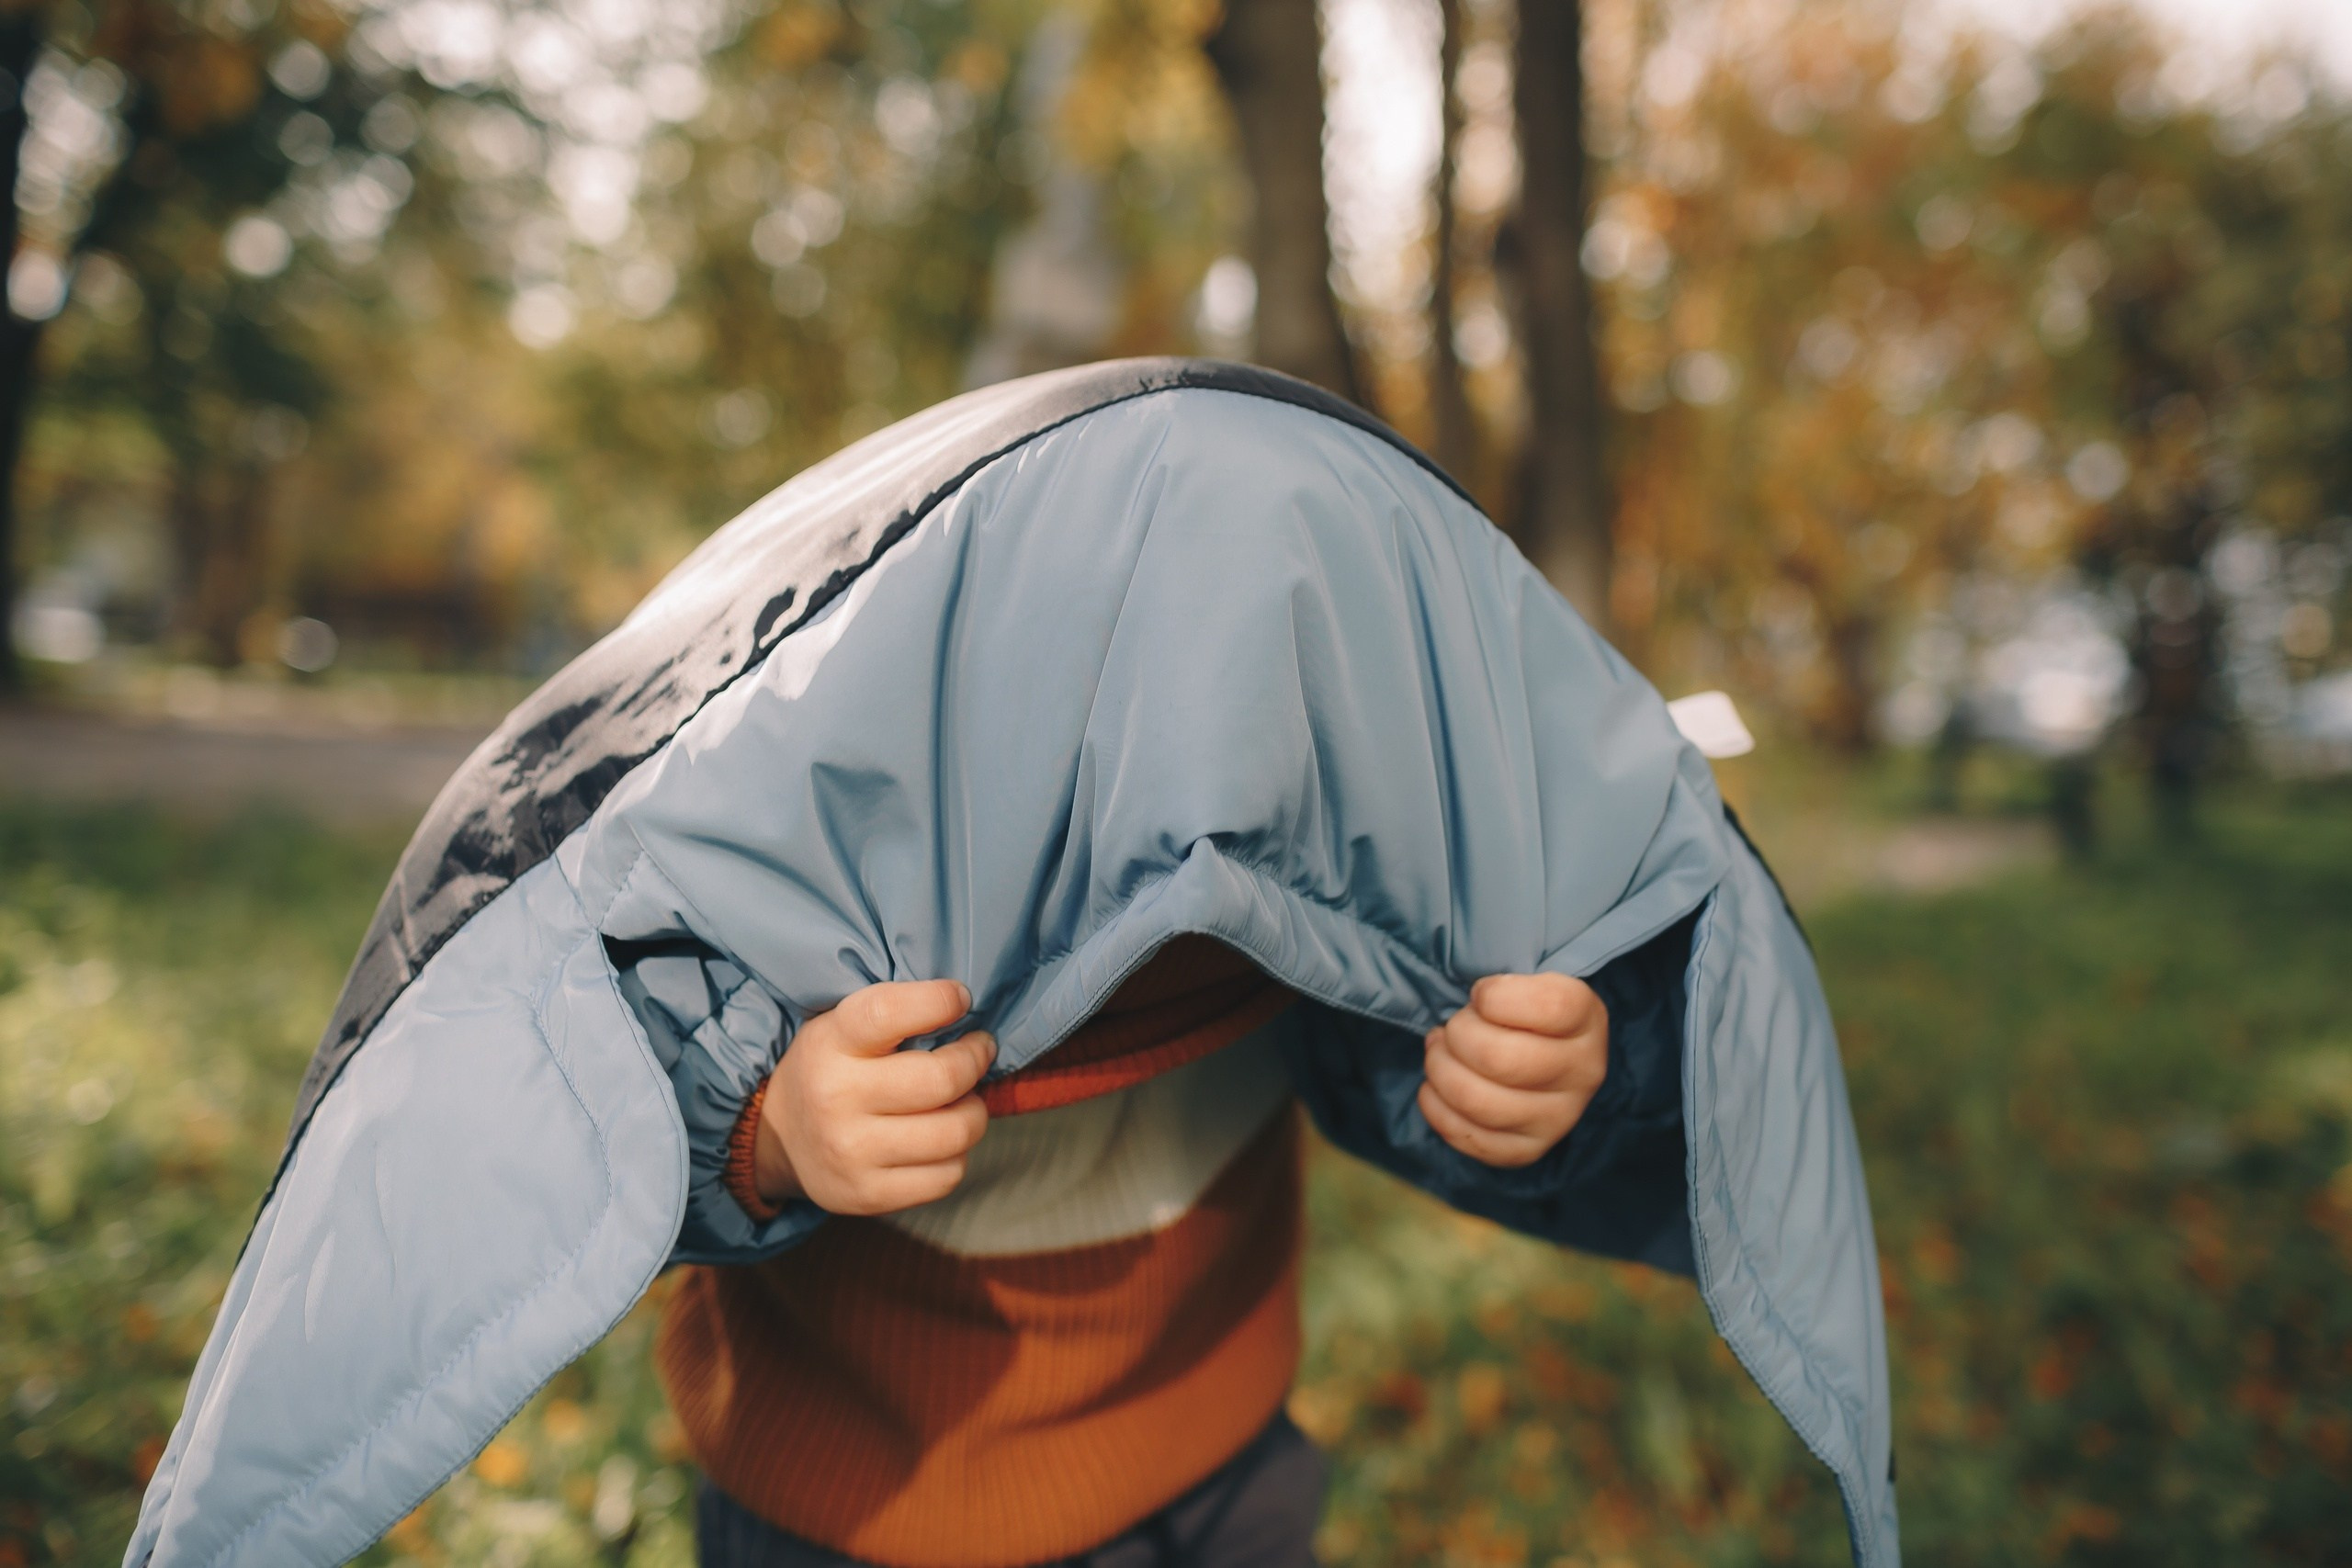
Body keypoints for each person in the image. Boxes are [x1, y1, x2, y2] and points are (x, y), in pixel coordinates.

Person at [667, 942, 1611, 1567]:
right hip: (861, 1492)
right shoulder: (790, 685)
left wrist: (1496, 1057)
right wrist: (768, 1130)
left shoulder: (1318, 681)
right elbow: (616, 1027)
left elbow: (1371, 962)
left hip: (1226, 1439)